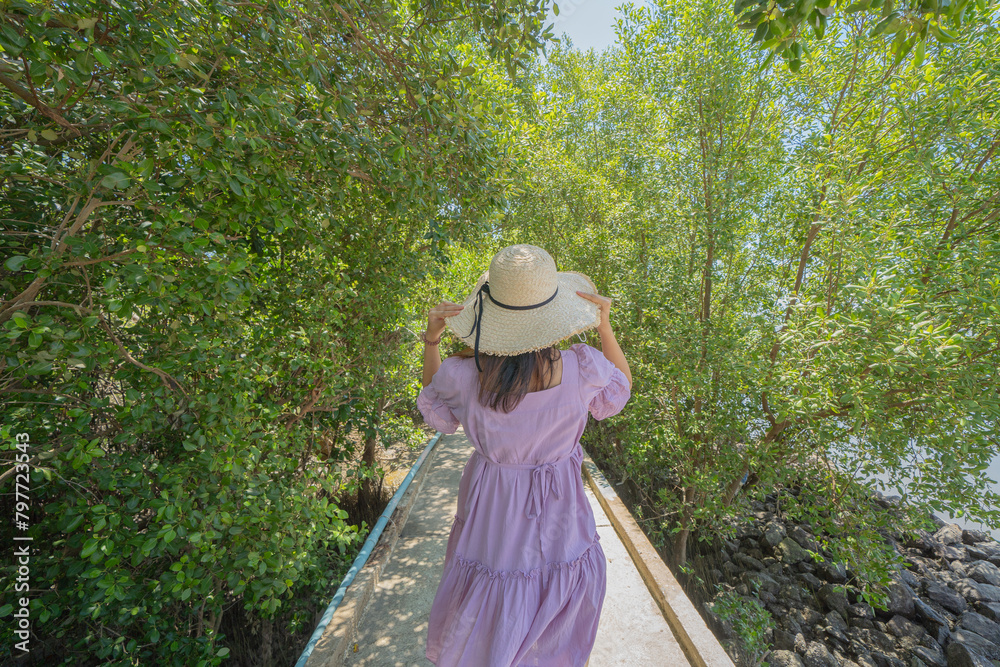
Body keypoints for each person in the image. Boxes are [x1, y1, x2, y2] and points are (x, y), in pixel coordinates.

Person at [417, 244, 633, 666]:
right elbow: (618, 393)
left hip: (492, 508)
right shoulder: (583, 366)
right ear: (553, 312)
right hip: (561, 508)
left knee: (493, 594)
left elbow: (436, 410)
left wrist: (431, 340)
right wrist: (605, 328)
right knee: (555, 598)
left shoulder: (464, 375)